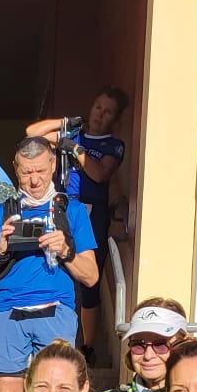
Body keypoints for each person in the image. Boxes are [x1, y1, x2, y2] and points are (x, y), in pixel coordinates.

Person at [0, 136, 99, 392]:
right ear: (16, 171)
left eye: (41, 170)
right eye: (27, 172)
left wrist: (66, 250)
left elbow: (91, 276)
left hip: (56, 311)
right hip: (9, 313)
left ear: (53, 165)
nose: (35, 179)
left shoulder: (73, 212)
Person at [28, 89, 130, 355]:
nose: (100, 115)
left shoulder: (113, 145)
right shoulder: (73, 133)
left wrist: (75, 149)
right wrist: (65, 122)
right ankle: (52, 338)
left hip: (91, 212)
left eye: (107, 111)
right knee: (53, 268)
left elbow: (98, 174)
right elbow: (32, 133)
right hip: (61, 207)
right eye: (98, 107)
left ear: (115, 118)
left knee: (89, 281)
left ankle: (87, 347)